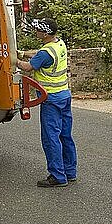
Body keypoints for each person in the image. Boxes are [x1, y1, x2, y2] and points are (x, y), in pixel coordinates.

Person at [16, 18, 77, 188]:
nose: (35, 31)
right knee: (65, 135)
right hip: (64, 96)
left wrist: (14, 59)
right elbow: (39, 53)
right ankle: (70, 171)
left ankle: (57, 176)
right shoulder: (59, 44)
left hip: (51, 99)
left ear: (45, 33)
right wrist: (22, 52)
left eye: (38, 30)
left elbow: (28, 67)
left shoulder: (45, 53)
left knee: (51, 137)